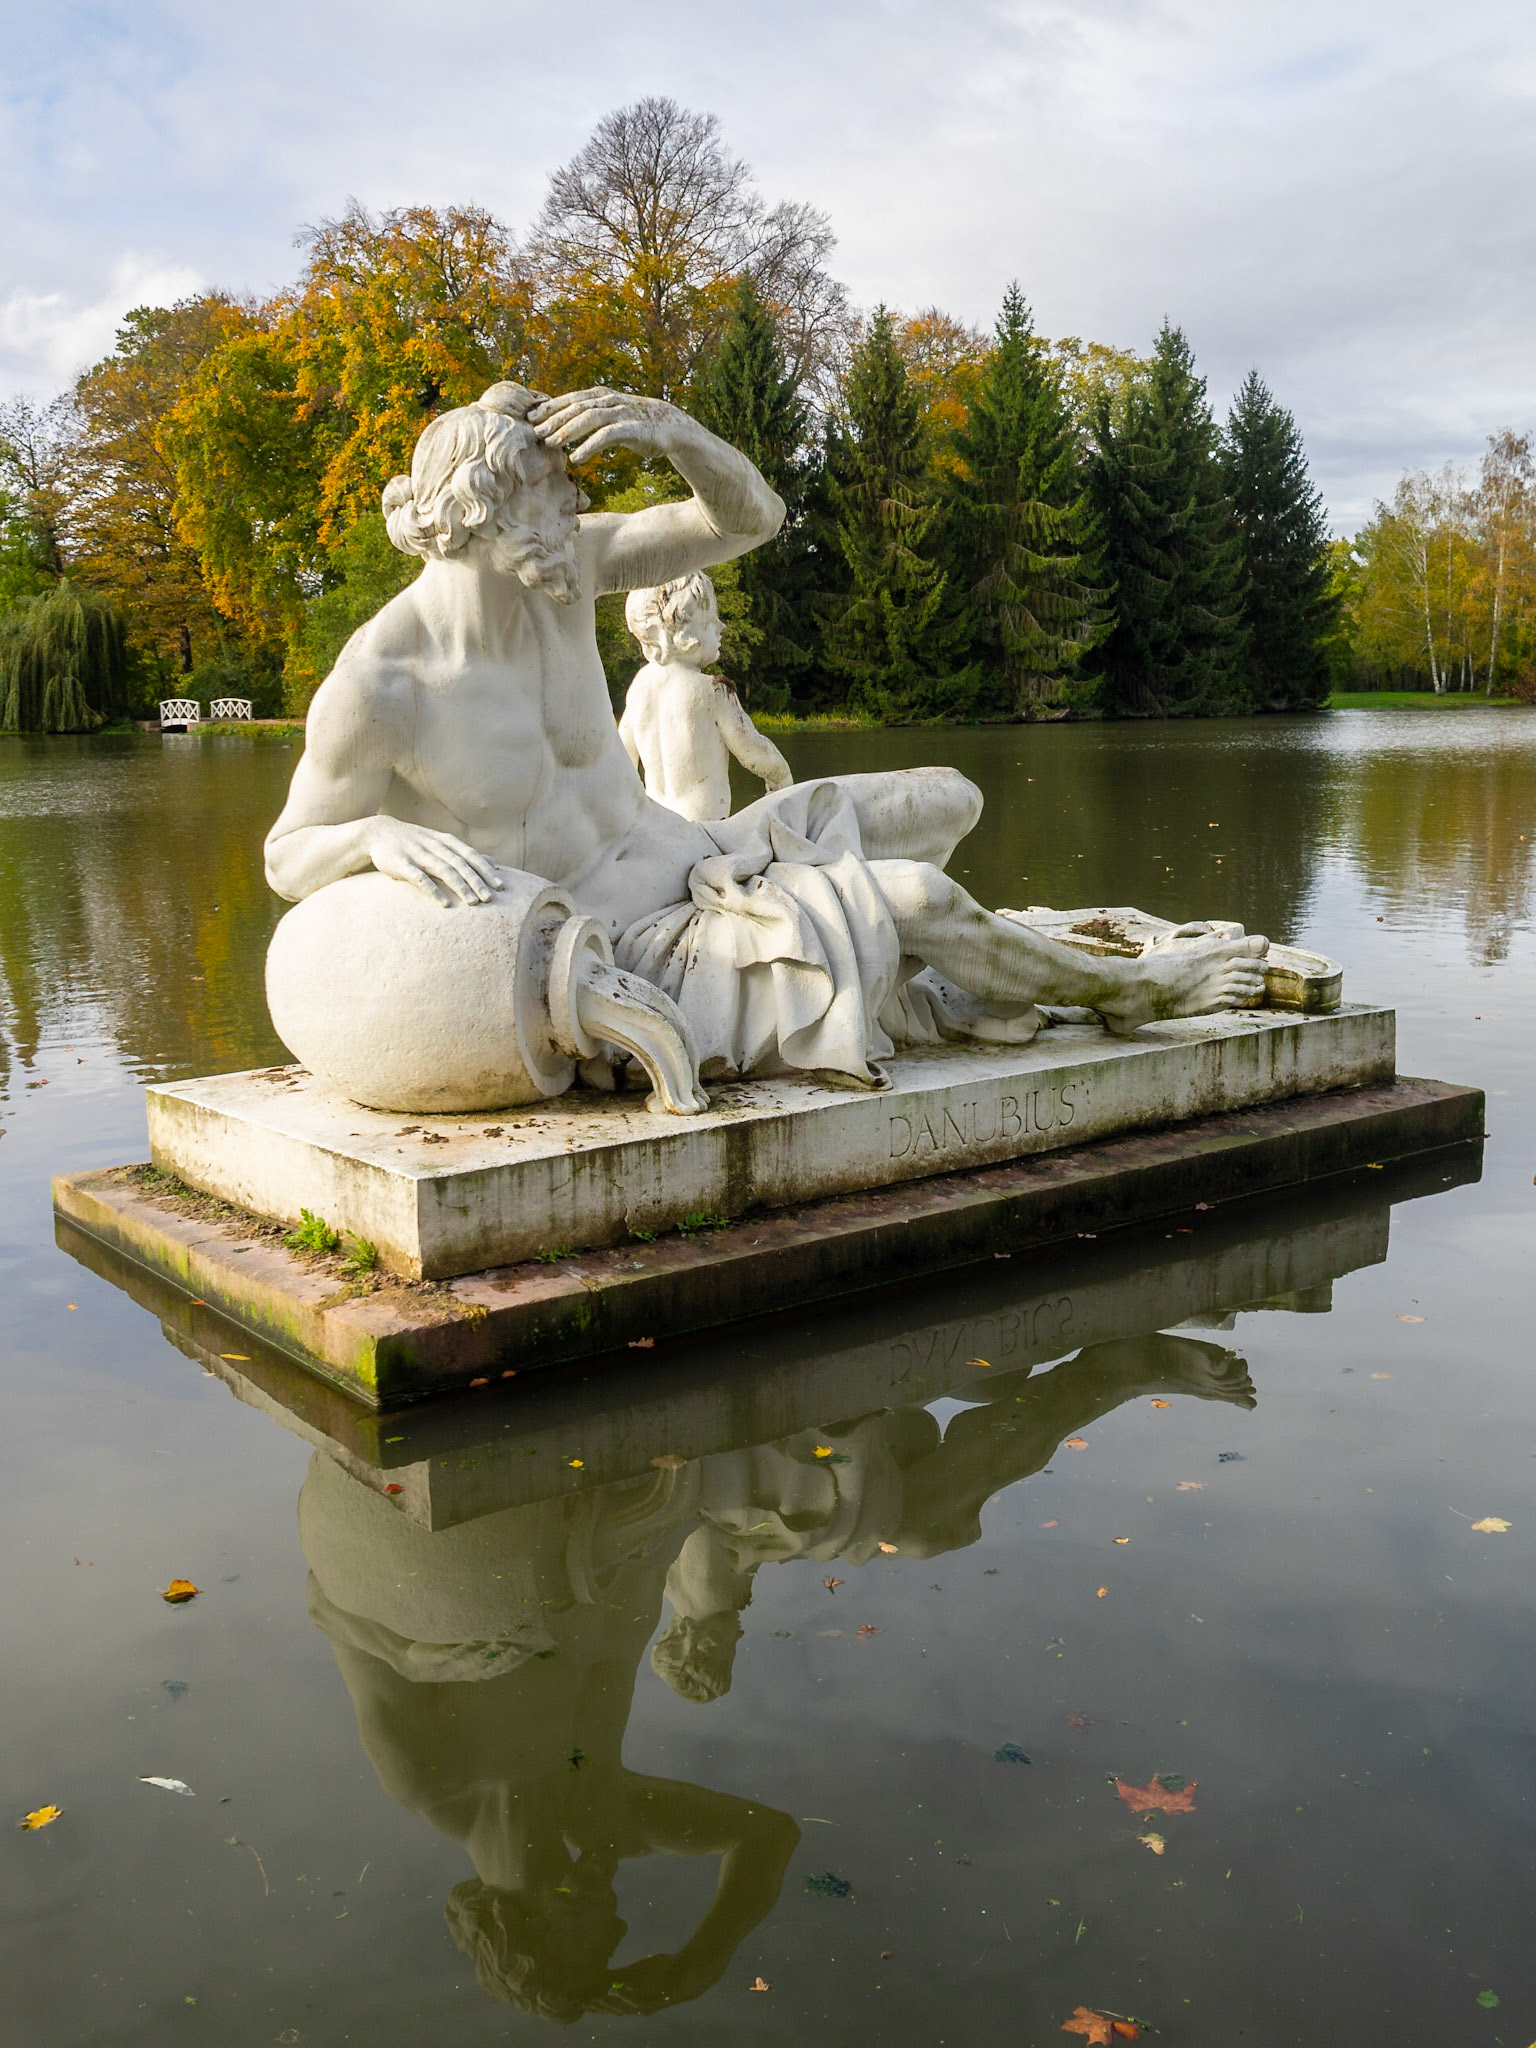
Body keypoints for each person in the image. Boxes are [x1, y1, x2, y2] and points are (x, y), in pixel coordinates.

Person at [263, 382, 1268, 1091]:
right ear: (484, 510)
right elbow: (286, 854)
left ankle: (932, 964)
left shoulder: (565, 572)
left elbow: (752, 516)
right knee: (915, 892)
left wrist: (671, 429)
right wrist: (369, 839)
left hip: (698, 850)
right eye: (557, 489)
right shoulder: (383, 682)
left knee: (943, 798)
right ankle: (1129, 990)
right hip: (639, 940)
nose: (581, 503)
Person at [619, 571, 792, 822]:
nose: (722, 627)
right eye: (711, 621)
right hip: (702, 830)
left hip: (656, 826)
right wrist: (781, 776)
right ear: (686, 636)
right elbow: (753, 752)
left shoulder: (639, 687)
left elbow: (621, 759)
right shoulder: (713, 691)